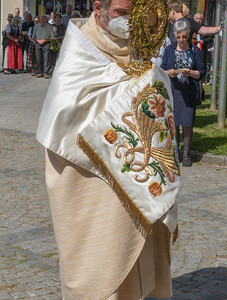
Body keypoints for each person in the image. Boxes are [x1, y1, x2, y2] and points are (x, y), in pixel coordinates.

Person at [36, 0, 180, 298]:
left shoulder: (140, 48)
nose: (129, 22)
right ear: (100, 7)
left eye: (134, 13)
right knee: (100, 258)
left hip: (134, 176)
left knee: (142, 254)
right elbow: (65, 114)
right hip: (90, 178)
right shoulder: (80, 50)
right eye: (121, 13)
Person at [161, 20, 204, 167]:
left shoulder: (194, 50)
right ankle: (175, 153)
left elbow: (201, 72)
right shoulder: (170, 50)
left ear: (188, 35)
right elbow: (162, 70)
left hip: (188, 92)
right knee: (174, 123)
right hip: (173, 91)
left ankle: (186, 155)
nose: (181, 40)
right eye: (178, 37)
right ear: (174, 36)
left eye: (184, 37)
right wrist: (168, 72)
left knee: (187, 123)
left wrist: (190, 73)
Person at [32, 15, 54, 79]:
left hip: (46, 42)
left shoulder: (49, 27)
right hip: (38, 43)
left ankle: (46, 73)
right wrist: (38, 40)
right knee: (38, 58)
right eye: (40, 20)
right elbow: (33, 36)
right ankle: (40, 72)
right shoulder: (36, 26)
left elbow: (52, 37)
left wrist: (45, 40)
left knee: (46, 58)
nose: (41, 21)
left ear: (46, 20)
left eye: (42, 20)